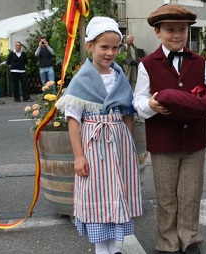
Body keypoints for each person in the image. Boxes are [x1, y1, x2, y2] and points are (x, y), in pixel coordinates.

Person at [133, 3, 206, 254]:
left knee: (191, 194)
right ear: (158, 32)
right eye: (170, 29)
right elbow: (138, 100)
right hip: (163, 141)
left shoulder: (200, 62)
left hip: (194, 140)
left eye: (182, 29)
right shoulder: (147, 64)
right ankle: (167, 241)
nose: (177, 35)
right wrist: (151, 105)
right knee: (167, 196)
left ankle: (189, 237)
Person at [56, 16, 142, 254]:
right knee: (97, 192)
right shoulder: (82, 80)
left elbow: (127, 113)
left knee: (117, 191)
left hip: (119, 143)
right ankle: (100, 248)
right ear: (90, 46)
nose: (110, 53)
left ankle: (114, 247)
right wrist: (78, 156)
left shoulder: (119, 77)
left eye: (115, 48)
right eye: (104, 47)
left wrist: (130, 145)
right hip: (94, 144)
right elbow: (73, 120)